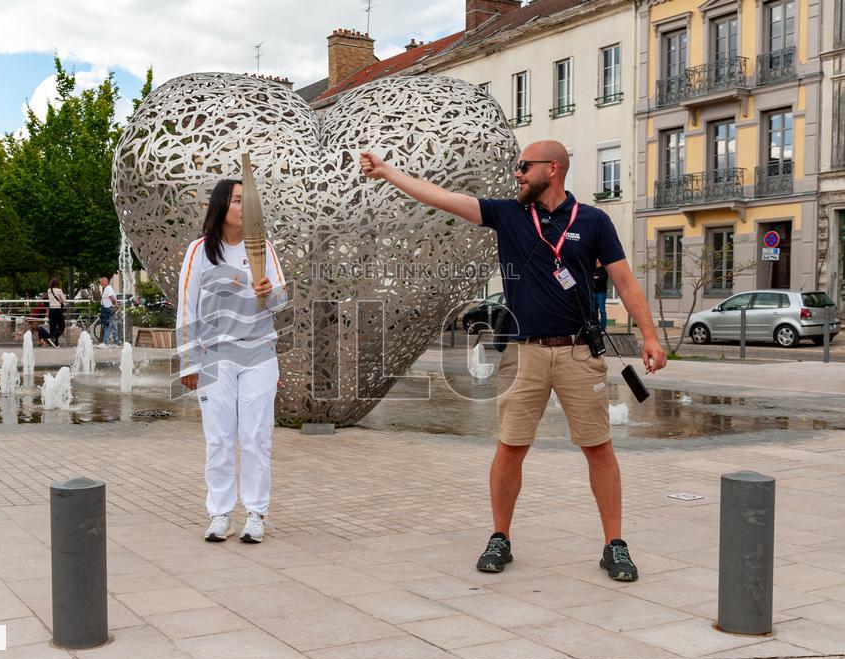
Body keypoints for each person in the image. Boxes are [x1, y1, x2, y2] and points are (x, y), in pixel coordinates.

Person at [361, 141, 667, 582]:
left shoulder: (594, 221)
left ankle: (614, 544)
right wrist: (389, 172)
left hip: (579, 351)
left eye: (524, 167)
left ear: (553, 168)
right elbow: (442, 197)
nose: (518, 174)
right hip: (522, 353)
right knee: (510, 446)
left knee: (598, 447)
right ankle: (499, 536)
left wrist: (651, 337)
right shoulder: (509, 215)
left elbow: (624, 280)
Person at [177, 178, 287, 544]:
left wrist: (268, 293)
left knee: (255, 437)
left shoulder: (263, 248)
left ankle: (256, 514)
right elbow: (186, 309)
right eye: (238, 200)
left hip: (258, 353)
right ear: (222, 206)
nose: (245, 207)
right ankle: (220, 513)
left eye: (248, 201)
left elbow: (281, 302)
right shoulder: (199, 252)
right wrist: (188, 363)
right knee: (219, 438)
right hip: (215, 356)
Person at [97, 276, 119, 348]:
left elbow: (112, 297)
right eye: (100, 282)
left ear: (106, 282)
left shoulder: (108, 288)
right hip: (108, 308)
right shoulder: (106, 288)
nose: (101, 283)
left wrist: (115, 304)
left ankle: (105, 343)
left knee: (107, 325)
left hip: (108, 309)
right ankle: (116, 343)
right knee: (113, 326)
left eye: (102, 281)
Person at [47, 277, 67, 347]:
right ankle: (53, 338)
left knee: (53, 327)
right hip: (57, 309)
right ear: (57, 283)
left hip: (51, 310)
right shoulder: (59, 290)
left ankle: (55, 343)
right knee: (62, 326)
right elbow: (64, 300)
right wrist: (61, 300)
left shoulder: (49, 290)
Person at [593, 260, 609, 330]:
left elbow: (602, 280)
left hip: (601, 293)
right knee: (594, 311)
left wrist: (594, 279)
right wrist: (595, 279)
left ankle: (602, 329)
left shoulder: (604, 269)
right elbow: (590, 280)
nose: (596, 261)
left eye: (597, 259)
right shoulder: (593, 269)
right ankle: (595, 328)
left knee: (602, 311)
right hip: (593, 292)